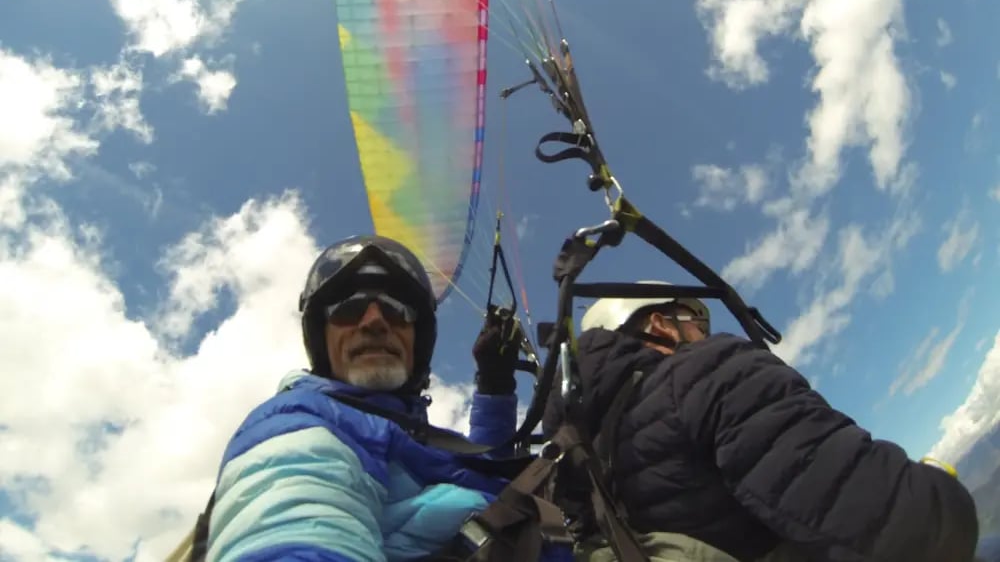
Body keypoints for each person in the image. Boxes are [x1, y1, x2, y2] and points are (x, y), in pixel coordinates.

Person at [543, 282, 980, 562]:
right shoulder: (705, 372)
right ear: (660, 324)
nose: (703, 333)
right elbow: (908, 528)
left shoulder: (585, 471)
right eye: (694, 321)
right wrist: (943, 495)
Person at [203, 234, 556, 562]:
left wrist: (494, 386)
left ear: (417, 338)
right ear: (321, 338)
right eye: (348, 308)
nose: (374, 321)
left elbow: (481, 480)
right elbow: (293, 519)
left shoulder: (398, 436)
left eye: (395, 308)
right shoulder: (300, 424)